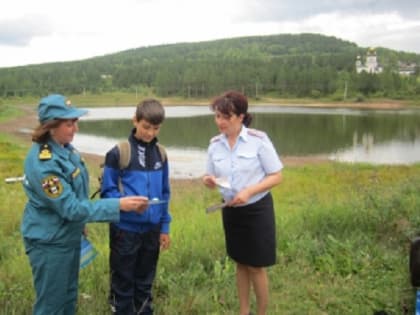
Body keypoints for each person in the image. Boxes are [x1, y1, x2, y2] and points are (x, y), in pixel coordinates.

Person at [21, 94, 148, 315]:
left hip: (67, 237)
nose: (75, 128)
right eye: (69, 124)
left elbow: (76, 196)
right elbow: (71, 207)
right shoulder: (44, 163)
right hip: (50, 243)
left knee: (68, 299)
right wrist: (118, 205)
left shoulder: (65, 149)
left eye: (76, 122)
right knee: (52, 306)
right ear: (51, 127)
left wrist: (80, 225)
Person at [202, 91, 283, 315]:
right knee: (240, 262)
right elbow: (209, 176)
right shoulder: (215, 145)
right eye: (217, 116)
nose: (220, 122)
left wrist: (249, 191)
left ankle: (261, 312)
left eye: (225, 117)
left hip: (257, 210)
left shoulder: (258, 140)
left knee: (256, 266)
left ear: (240, 116)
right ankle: (244, 311)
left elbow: (276, 175)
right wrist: (209, 181)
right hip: (231, 211)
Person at [101, 98, 171, 315]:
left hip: (151, 231)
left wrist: (165, 227)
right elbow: (107, 193)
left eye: (156, 128)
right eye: (146, 127)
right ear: (135, 121)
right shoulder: (118, 152)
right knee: (123, 283)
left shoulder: (161, 153)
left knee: (145, 282)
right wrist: (128, 205)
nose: (150, 133)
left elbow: (165, 193)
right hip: (125, 231)